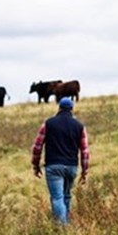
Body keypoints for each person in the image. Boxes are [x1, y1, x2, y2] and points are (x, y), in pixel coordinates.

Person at [31, 96, 90, 225]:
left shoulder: (48, 124)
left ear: (59, 108)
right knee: (66, 196)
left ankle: (62, 227)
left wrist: (36, 165)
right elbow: (85, 151)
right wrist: (84, 171)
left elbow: (37, 146)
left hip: (53, 166)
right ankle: (65, 223)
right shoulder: (79, 126)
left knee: (57, 197)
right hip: (71, 166)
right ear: (72, 109)